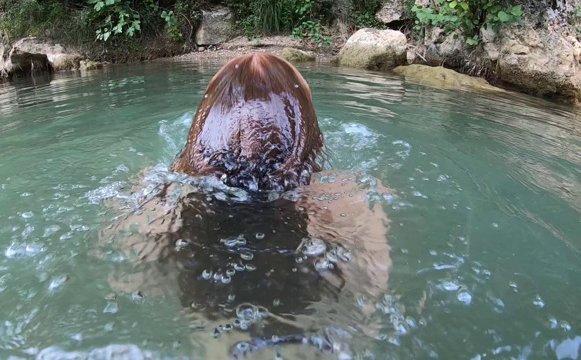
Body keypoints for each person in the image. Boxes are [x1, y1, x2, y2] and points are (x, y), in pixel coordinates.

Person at [99, 53, 393, 359]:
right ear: (307, 132)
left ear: (204, 127)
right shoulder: (352, 195)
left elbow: (124, 281)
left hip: (210, 337)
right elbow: (370, 297)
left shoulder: (154, 190)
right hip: (311, 340)